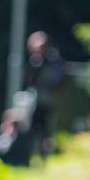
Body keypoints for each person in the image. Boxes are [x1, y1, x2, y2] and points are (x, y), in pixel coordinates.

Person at [25, 30, 66, 162]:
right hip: (36, 101)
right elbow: (31, 80)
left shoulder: (54, 59)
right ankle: (32, 154)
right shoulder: (35, 61)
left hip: (50, 102)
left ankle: (45, 156)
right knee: (34, 129)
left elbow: (57, 80)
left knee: (47, 130)